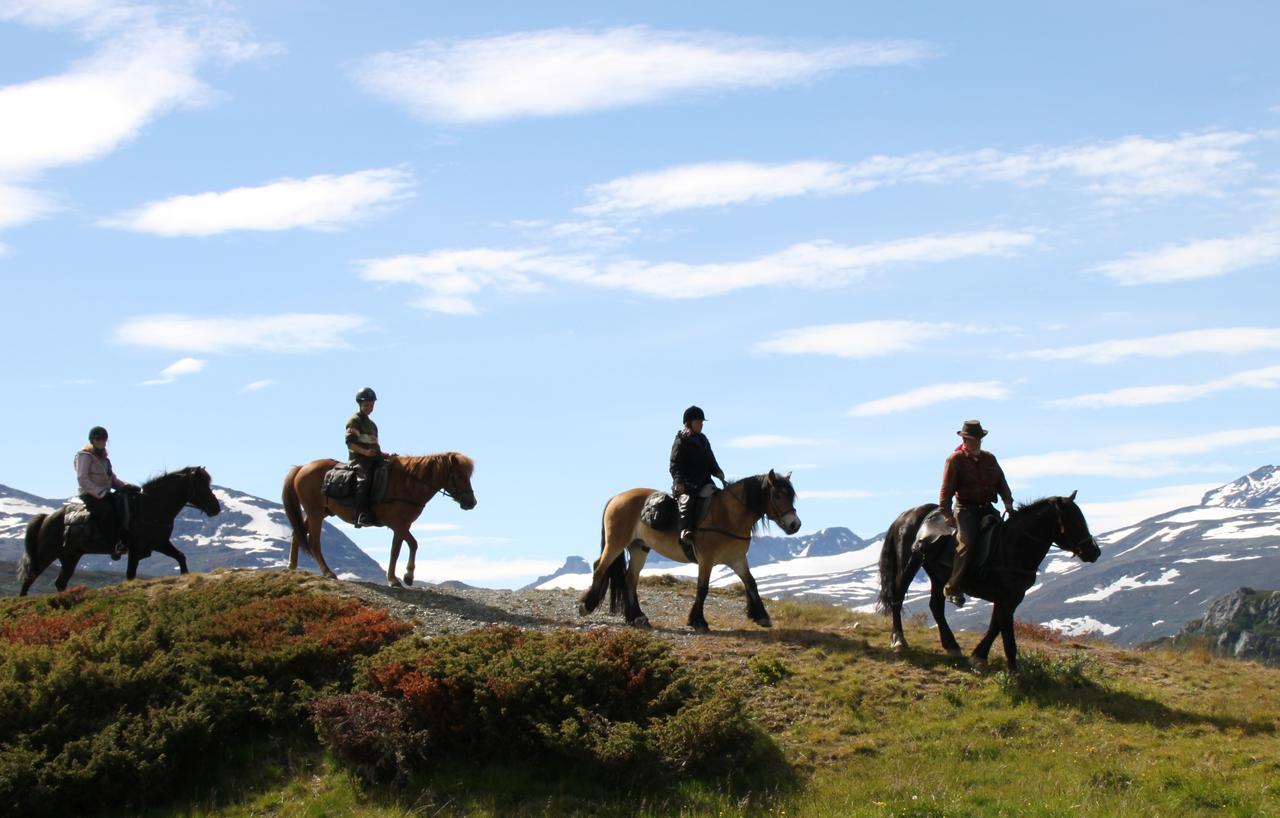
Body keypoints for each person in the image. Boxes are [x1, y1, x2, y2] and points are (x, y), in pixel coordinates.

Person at [939, 419, 1014, 606]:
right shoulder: (955, 460)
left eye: (978, 439)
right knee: (966, 545)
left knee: (1005, 537)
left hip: (987, 507)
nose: (975, 442)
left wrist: (1008, 502)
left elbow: (1001, 482)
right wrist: (947, 514)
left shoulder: (990, 458)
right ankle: (953, 587)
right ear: (964, 439)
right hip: (966, 510)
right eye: (971, 439)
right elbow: (946, 490)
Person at [74, 426, 137, 559]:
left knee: (125, 506)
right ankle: (112, 544)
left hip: (105, 494)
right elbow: (82, 479)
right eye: (98, 439)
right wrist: (100, 493)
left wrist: (126, 486)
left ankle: (124, 540)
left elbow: (112, 479)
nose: (102, 442)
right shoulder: (84, 456)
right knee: (106, 510)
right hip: (90, 495)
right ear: (92, 440)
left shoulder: (104, 459)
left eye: (104, 440)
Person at [669, 405, 726, 550]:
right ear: (689, 422)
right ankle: (684, 531)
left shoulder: (703, 440)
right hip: (687, 484)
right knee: (687, 502)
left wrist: (718, 471)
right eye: (698, 421)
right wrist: (678, 482)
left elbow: (710, 460)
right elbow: (675, 464)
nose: (701, 424)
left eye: (701, 422)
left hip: (705, 482)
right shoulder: (681, 440)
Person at [346, 387, 390, 527]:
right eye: (366, 405)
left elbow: (375, 446)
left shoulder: (373, 425)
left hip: (373, 458)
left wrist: (382, 454)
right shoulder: (354, 421)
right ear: (360, 404)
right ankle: (359, 514)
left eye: (371, 405)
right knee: (364, 480)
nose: (369, 408)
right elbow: (350, 443)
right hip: (359, 460)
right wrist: (365, 453)